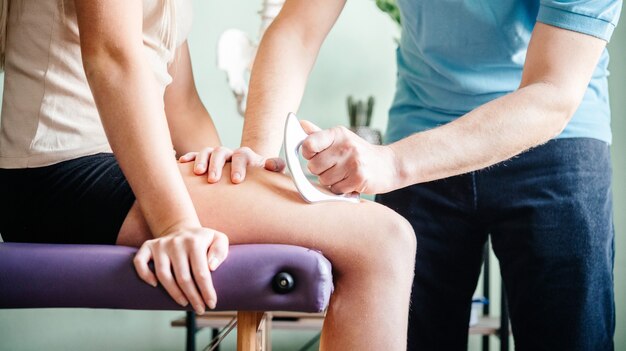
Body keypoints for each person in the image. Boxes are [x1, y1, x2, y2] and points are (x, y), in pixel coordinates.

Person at [0, 1, 416, 349]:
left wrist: (226, 164)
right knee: (380, 239)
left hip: (112, 167)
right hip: (56, 172)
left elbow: (181, 101)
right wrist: (176, 223)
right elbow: (110, 56)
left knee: (376, 233)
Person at [227, 0, 623, 350]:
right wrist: (258, 155)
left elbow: (552, 91)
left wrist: (392, 163)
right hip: (422, 130)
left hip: (555, 145)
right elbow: (298, 27)